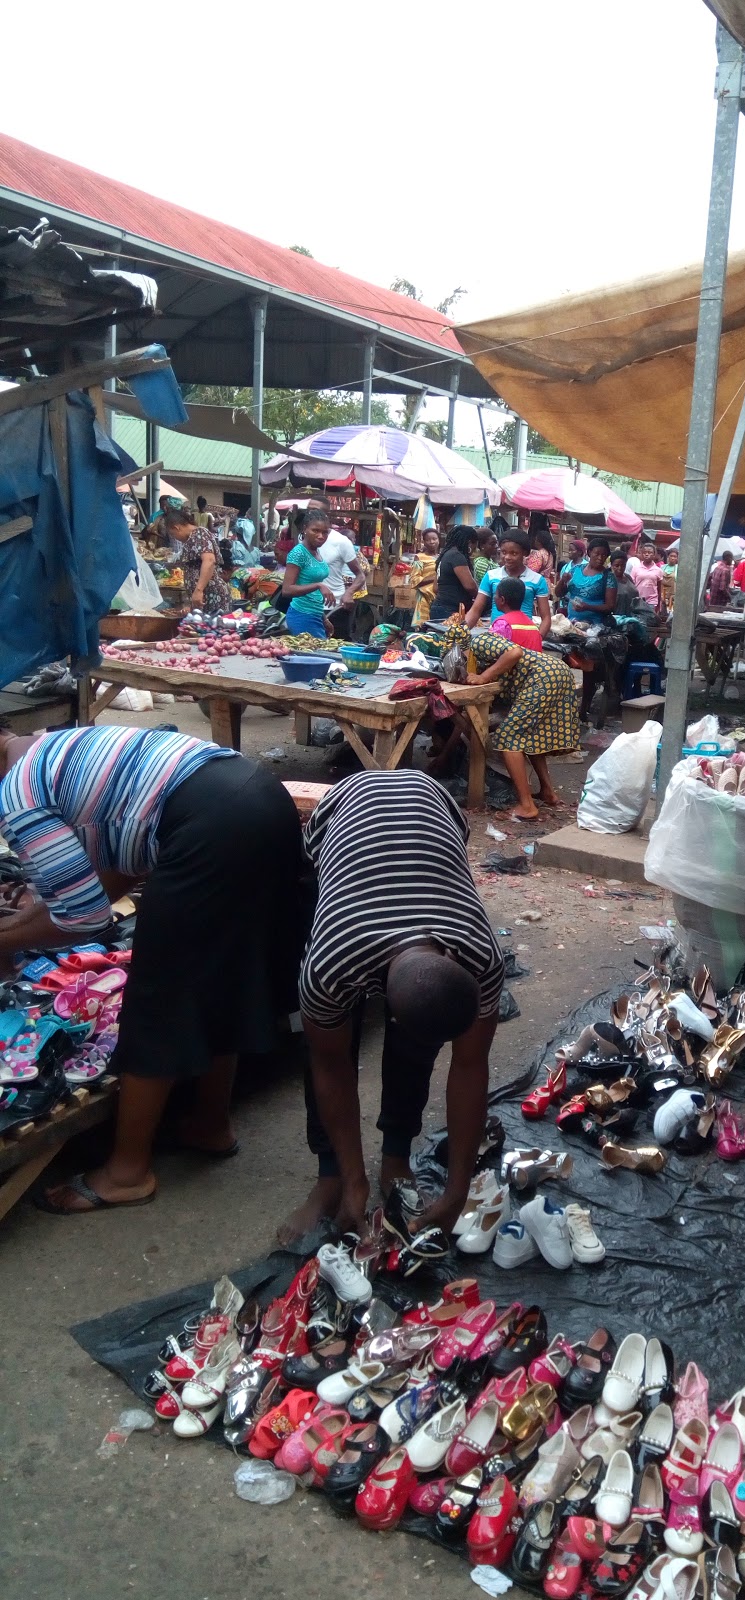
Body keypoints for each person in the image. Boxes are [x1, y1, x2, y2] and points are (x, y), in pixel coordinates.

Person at [0, 725, 305, 1213]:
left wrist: (9, 939)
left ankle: (126, 1174)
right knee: (222, 972)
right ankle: (210, 1124)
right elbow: (120, 869)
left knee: (158, 996)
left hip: (213, 827)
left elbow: (86, 918)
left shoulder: (19, 795)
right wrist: (22, 927)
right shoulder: (53, 748)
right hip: (261, 800)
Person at [282, 769, 504, 1242]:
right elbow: (330, 1064)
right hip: (343, 809)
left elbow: (471, 1066)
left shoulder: (480, 953)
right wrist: (351, 1177)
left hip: (431, 797)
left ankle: (395, 1160)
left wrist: (457, 1191)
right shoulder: (330, 963)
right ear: (391, 1015)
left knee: (418, 1041)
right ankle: (333, 1177)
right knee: (325, 1041)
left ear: (454, 961)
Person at [446, 609, 580, 821]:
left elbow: (515, 653)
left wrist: (484, 677)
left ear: (461, 649)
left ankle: (527, 806)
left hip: (543, 676)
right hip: (555, 674)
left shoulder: (481, 641)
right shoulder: (478, 659)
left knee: (509, 737)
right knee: (532, 737)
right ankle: (548, 792)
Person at [466, 531, 552, 636]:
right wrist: (461, 632)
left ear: (525, 553)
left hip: (523, 638)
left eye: (514, 553)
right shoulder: (491, 576)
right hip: (496, 638)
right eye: (503, 552)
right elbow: (475, 610)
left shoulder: (537, 580)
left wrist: (536, 639)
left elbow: (546, 618)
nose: (507, 557)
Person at [281, 507, 336, 637]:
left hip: (316, 614)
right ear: (305, 529)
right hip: (302, 615)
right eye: (315, 530)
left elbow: (312, 593)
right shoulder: (299, 553)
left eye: (325, 532)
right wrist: (318, 585)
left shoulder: (316, 551)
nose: (321, 536)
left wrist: (324, 619)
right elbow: (287, 590)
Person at [177, 505, 233, 613]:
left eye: (173, 534)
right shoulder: (193, 537)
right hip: (206, 596)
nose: (175, 538)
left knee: (214, 623)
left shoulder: (199, 533)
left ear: (177, 528)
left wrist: (199, 590)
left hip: (213, 595)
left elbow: (209, 561)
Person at [319, 523, 366, 639]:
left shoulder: (343, 544)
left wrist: (349, 592)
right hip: (314, 606)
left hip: (338, 602)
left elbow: (361, 573)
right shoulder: (304, 548)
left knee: (339, 636)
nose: (320, 536)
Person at [558, 536, 617, 622]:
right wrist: (562, 581)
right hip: (572, 622)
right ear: (589, 552)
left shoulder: (608, 577)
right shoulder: (575, 570)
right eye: (597, 554)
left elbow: (610, 606)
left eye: (604, 555)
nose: (600, 558)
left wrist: (588, 607)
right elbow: (559, 593)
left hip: (595, 626)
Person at [429, 528, 477, 622]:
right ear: (469, 543)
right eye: (474, 548)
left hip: (439, 608)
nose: (472, 552)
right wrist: (482, 599)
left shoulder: (444, 556)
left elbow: (435, 588)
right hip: (451, 610)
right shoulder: (456, 556)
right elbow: (470, 586)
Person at [491, 576, 544, 651]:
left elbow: (491, 651)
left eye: (496, 595)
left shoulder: (502, 624)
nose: (494, 598)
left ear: (502, 600)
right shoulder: (534, 627)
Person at [626, 538, 663, 609]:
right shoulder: (636, 568)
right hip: (638, 600)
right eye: (644, 552)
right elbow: (631, 586)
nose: (646, 554)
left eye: (649, 552)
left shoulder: (658, 570)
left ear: (654, 554)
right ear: (641, 554)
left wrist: (659, 604)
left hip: (652, 602)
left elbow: (659, 588)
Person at [609, 548, 642, 615]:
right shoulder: (608, 580)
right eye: (617, 565)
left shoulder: (628, 577)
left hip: (632, 616)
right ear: (611, 565)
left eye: (623, 565)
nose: (620, 568)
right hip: (616, 617)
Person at [661, 543, 679, 610]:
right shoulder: (662, 567)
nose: (673, 558)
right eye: (671, 556)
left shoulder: (678, 568)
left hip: (673, 597)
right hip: (662, 596)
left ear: (677, 558)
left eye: (675, 556)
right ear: (668, 556)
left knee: (671, 612)